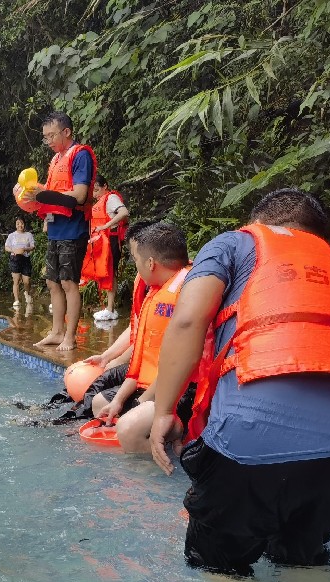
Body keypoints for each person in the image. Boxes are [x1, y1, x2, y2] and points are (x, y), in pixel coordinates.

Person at [149, 188, 330, 575]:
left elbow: (187, 319)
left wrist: (163, 411)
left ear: (256, 223)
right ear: (320, 238)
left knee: (221, 569)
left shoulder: (235, 243)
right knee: (303, 562)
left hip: (255, 436)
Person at [92, 222, 196, 453]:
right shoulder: (157, 291)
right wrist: (119, 400)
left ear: (151, 263)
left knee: (129, 427)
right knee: (101, 403)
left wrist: (140, 402)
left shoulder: (188, 294)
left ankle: (151, 473)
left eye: (135, 260)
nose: (135, 266)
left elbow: (179, 365)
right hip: (149, 384)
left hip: (178, 389)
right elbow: (141, 359)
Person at [29, 112, 95, 352]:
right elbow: (50, 192)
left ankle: (70, 336)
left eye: (51, 136)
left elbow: (79, 195)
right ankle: (56, 332)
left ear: (66, 132)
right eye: (45, 137)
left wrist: (43, 195)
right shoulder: (57, 159)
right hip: (56, 227)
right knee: (52, 281)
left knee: (68, 282)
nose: (48, 141)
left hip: (73, 226)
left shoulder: (81, 155)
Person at [89, 175, 130, 321]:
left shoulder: (110, 198)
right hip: (102, 241)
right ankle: (108, 308)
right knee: (104, 272)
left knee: (110, 272)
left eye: (97, 189)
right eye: (92, 191)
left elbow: (124, 212)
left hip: (111, 240)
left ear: (105, 186)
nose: (95, 193)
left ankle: (110, 308)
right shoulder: (100, 201)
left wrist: (105, 226)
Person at [5, 218, 35, 310]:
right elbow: (6, 247)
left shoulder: (28, 235)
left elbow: (33, 246)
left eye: (21, 223)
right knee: (16, 280)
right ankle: (17, 300)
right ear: (15, 225)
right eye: (18, 224)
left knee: (27, 281)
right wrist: (13, 250)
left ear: (24, 225)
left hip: (25, 258)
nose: (20, 225)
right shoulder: (11, 235)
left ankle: (27, 293)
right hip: (15, 259)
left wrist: (25, 249)